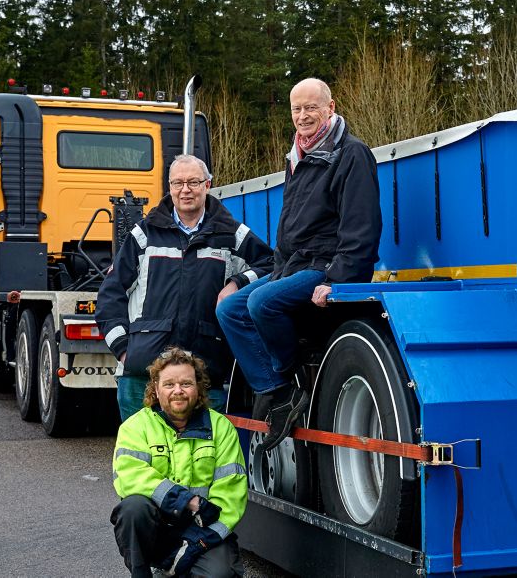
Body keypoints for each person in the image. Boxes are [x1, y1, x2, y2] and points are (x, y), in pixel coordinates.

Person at [216, 78, 381, 452]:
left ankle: (285, 377)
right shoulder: (298, 156)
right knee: (230, 309)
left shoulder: (350, 154)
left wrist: (337, 280)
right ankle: (279, 392)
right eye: (297, 109)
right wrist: (277, 269)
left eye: (311, 107)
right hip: (294, 265)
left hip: (326, 265)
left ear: (330, 108)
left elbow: (362, 227)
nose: (303, 116)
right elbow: (291, 229)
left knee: (262, 303)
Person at [96, 154, 273, 421]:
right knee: (142, 458)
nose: (185, 190)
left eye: (193, 182)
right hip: (142, 375)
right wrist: (123, 350)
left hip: (204, 372)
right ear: (169, 188)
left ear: (208, 185)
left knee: (200, 458)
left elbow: (271, 265)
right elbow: (110, 295)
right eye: (177, 183)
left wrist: (237, 283)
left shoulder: (230, 234)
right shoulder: (144, 235)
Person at [111, 348, 247, 577]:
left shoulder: (221, 428)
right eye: (169, 384)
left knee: (219, 574)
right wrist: (185, 500)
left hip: (202, 530)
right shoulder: (135, 427)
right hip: (157, 530)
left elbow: (231, 496)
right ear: (156, 388)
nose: (178, 391)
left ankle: (177, 565)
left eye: (186, 383)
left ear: (198, 387)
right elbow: (130, 476)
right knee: (133, 509)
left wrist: (195, 545)